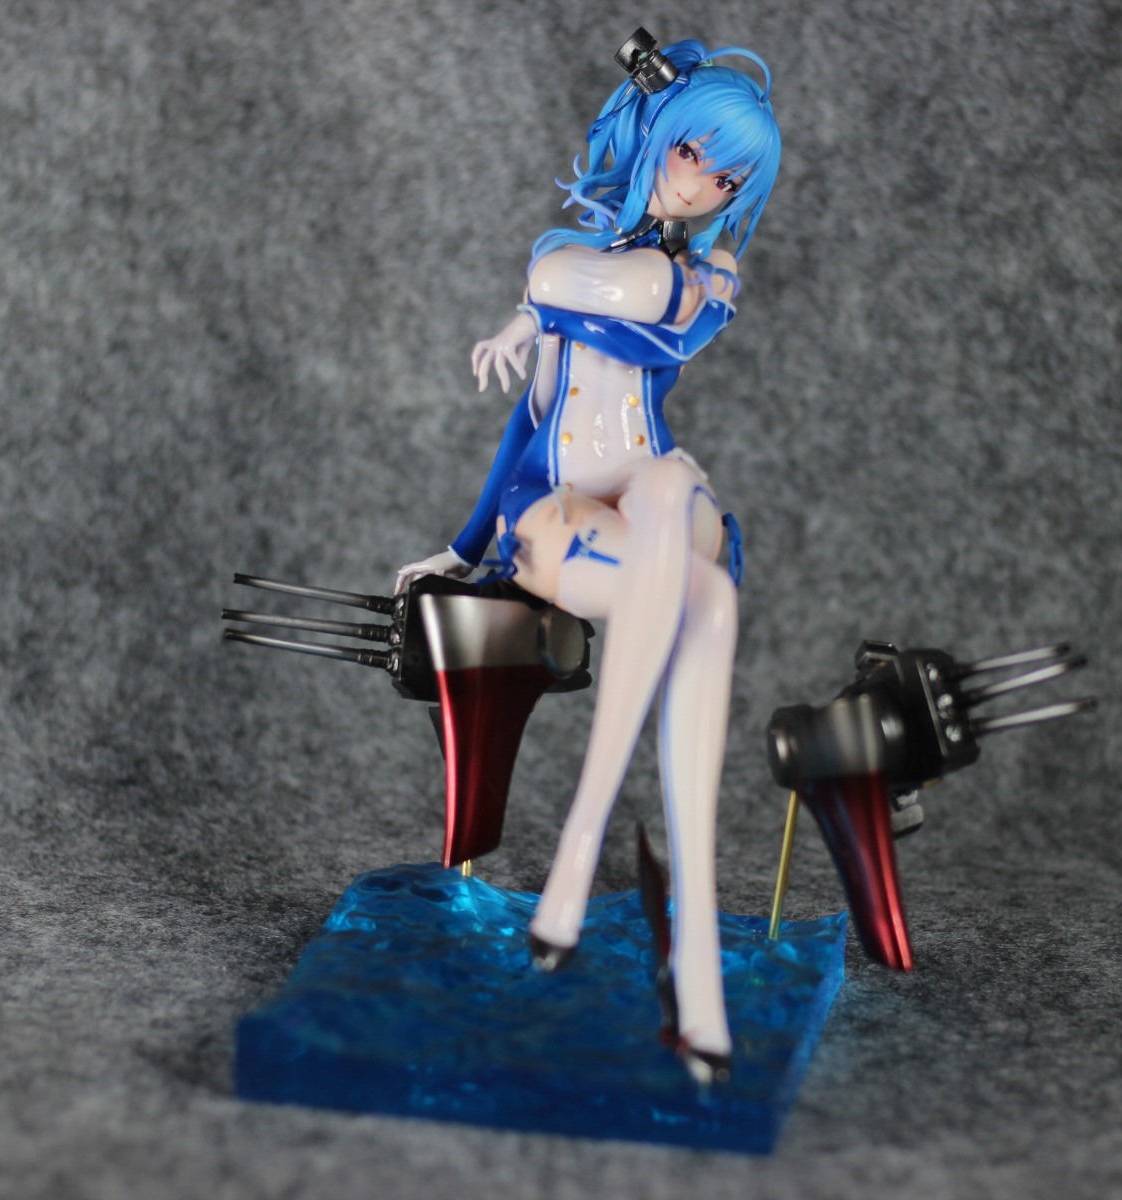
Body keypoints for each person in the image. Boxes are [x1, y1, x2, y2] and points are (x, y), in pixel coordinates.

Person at [396, 36, 781, 1084]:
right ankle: (687, 956)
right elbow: (526, 423)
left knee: (665, 493)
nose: (698, 184)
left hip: (657, 493)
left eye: (725, 179)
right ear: (660, 132)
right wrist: (464, 547)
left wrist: (536, 311)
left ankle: (587, 854)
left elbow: (653, 312)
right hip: (561, 516)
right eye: (691, 152)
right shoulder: (574, 253)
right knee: (704, 604)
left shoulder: (703, 273)